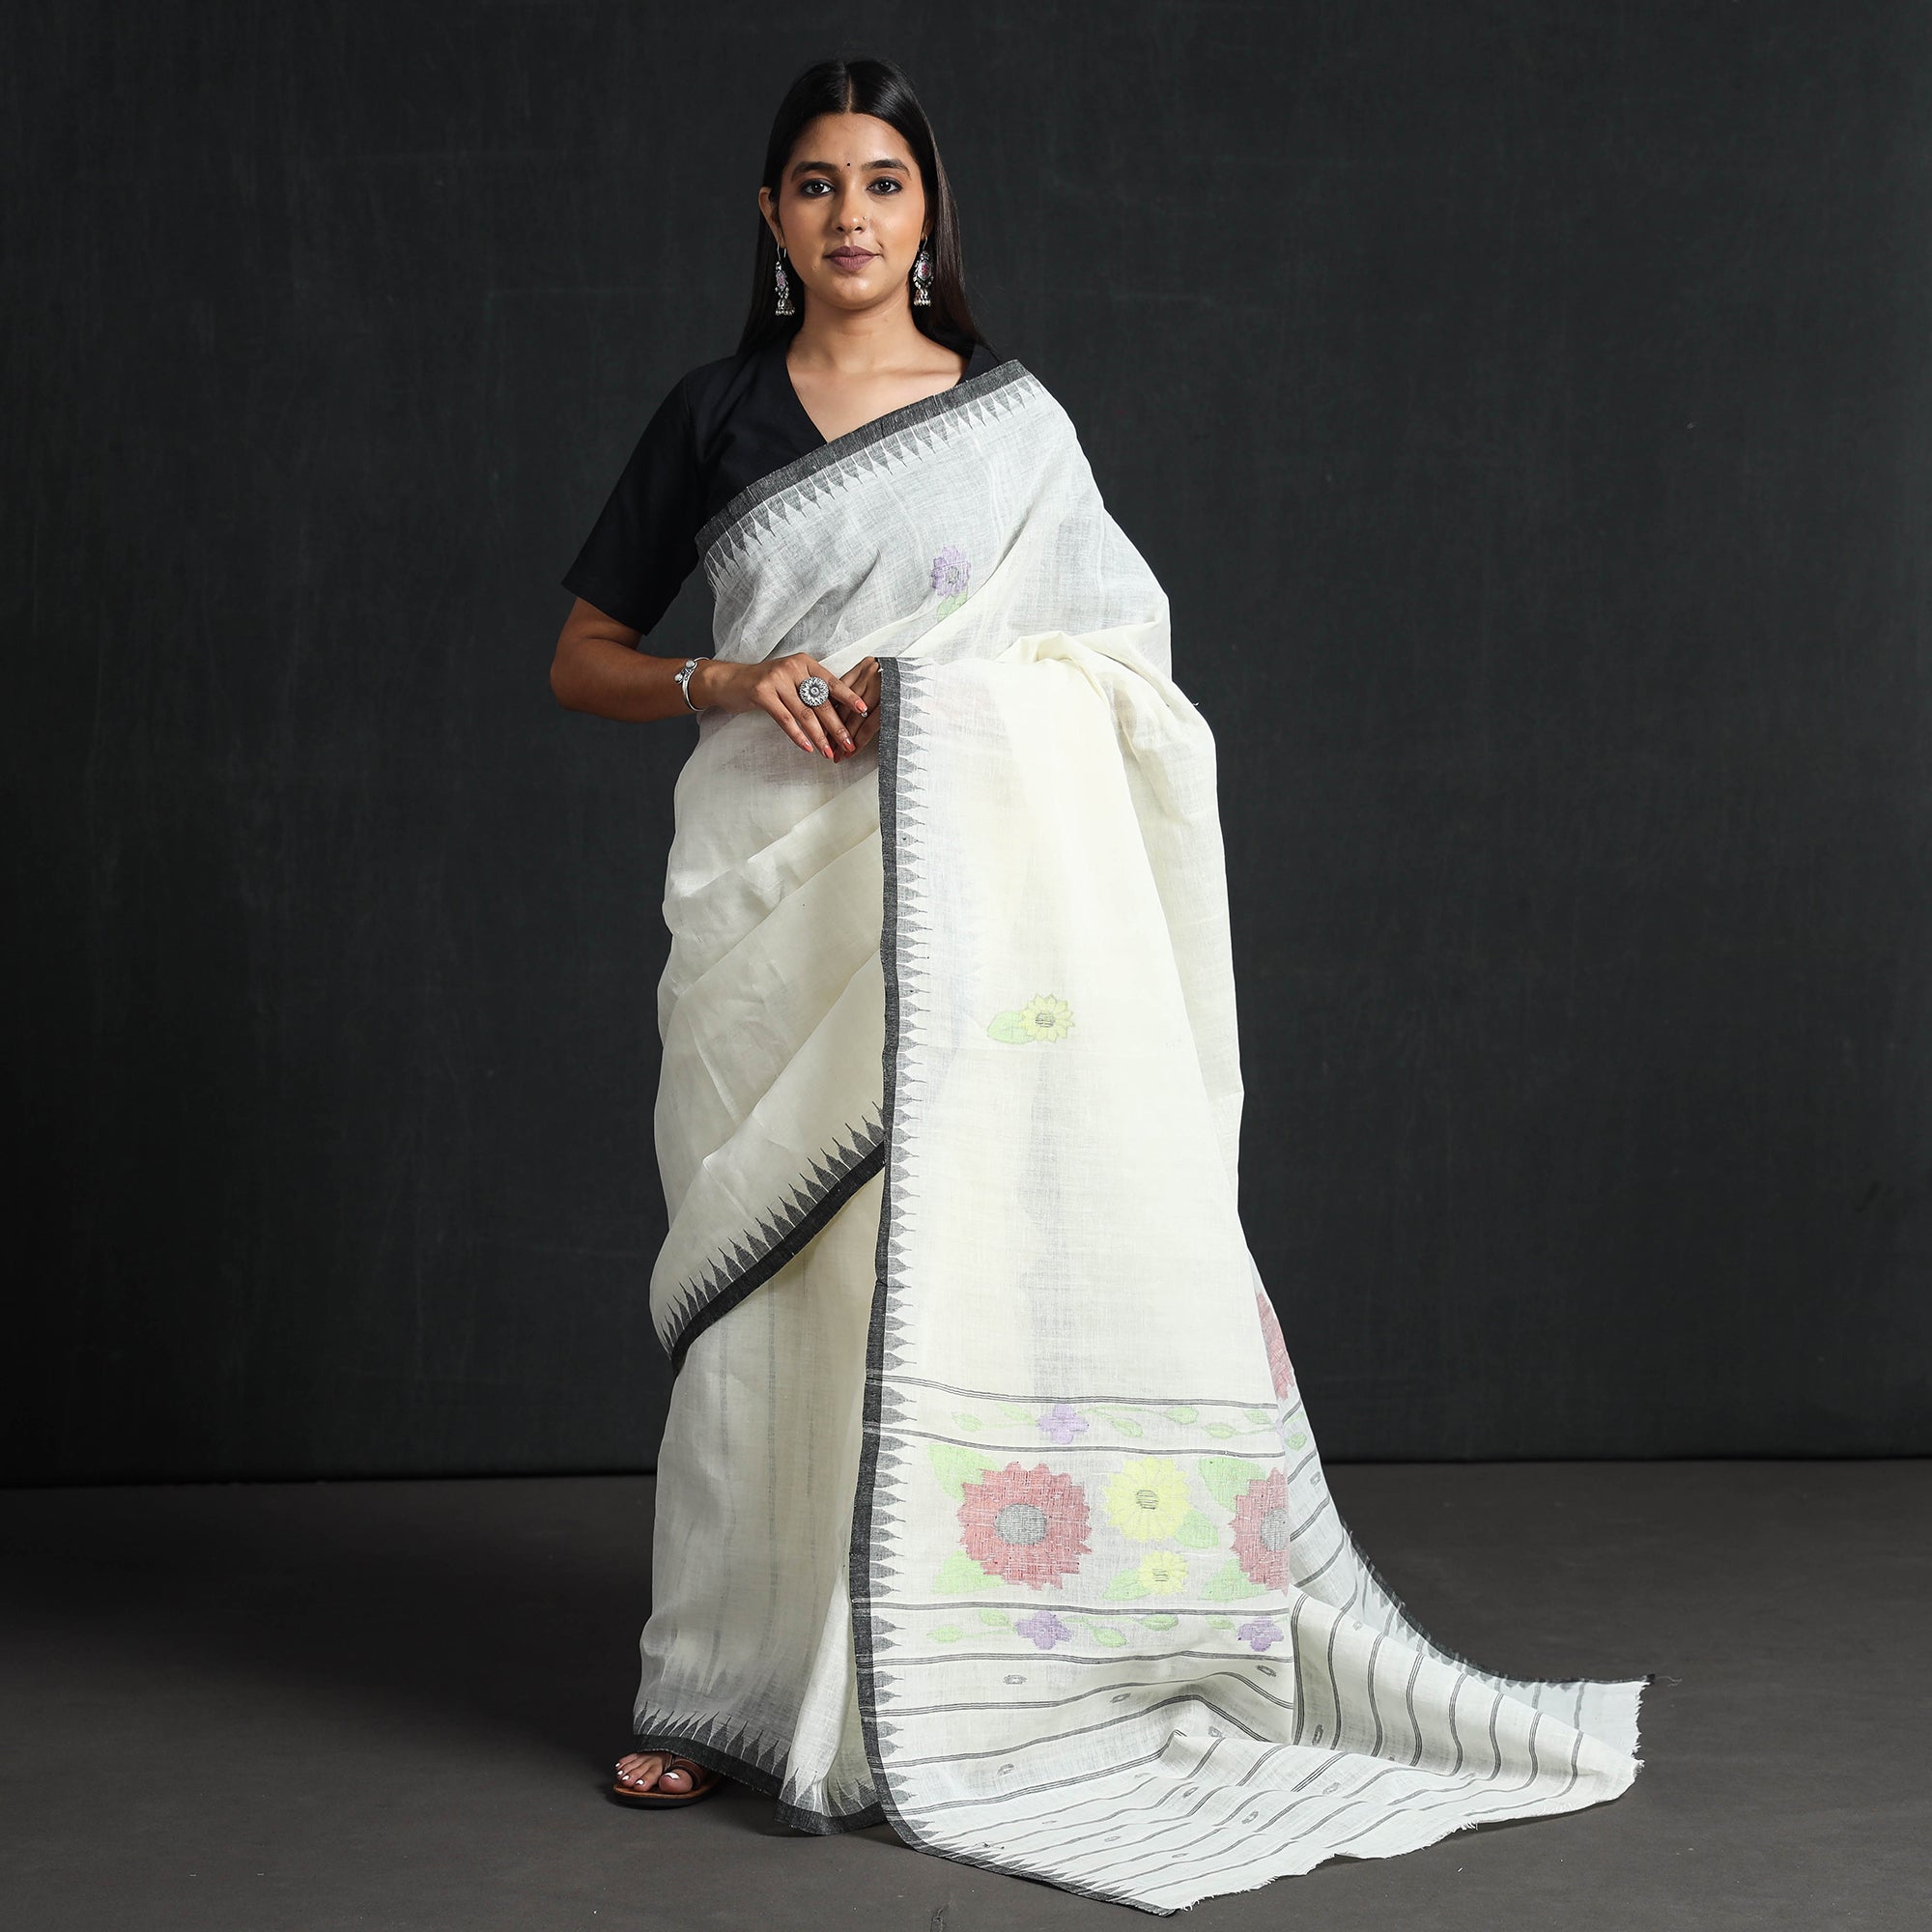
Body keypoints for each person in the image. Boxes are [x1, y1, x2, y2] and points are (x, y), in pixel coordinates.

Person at [551, 54, 1647, 1914]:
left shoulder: (1012, 426)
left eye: (881, 183)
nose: (847, 217)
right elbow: (582, 655)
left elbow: (1124, 672)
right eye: (814, 184)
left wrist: (942, 702)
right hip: (776, 918)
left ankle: (993, 1665)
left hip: (983, 926)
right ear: (770, 217)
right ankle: (719, 1694)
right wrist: (730, 682)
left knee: (942, 1263)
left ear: (927, 214)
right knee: (764, 1297)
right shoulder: (711, 416)